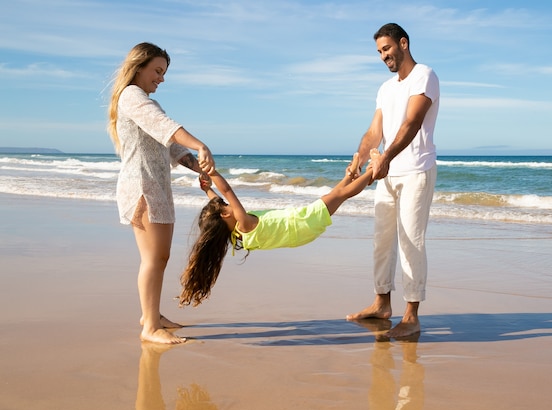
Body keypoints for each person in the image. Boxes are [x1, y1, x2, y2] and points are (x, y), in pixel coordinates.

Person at [107, 42, 215, 344]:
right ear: (138, 66)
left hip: (157, 187)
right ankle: (150, 328)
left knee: (160, 257)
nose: (161, 78)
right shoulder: (132, 96)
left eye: (163, 72)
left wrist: (200, 168)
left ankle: (150, 315)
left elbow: (171, 146)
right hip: (141, 187)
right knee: (153, 258)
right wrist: (201, 145)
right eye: (157, 70)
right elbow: (167, 128)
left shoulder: (143, 100)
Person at [179, 152, 376, 307]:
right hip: (301, 223)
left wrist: (206, 190)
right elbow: (227, 191)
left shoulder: (238, 233)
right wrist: (213, 172)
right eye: (223, 205)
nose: (225, 204)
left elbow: (216, 202)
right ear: (224, 215)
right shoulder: (244, 224)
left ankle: (351, 175)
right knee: (340, 195)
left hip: (299, 233)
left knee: (333, 196)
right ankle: (372, 172)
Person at [346, 23, 439, 338]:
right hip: (387, 174)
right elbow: (375, 132)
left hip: (416, 171)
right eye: (379, 52)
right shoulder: (385, 88)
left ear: (403, 43)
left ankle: (411, 317)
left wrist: (386, 156)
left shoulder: (425, 76)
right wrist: (359, 159)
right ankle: (382, 304)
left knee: (412, 240)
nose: (383, 56)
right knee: (382, 241)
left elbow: (412, 122)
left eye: (386, 49)